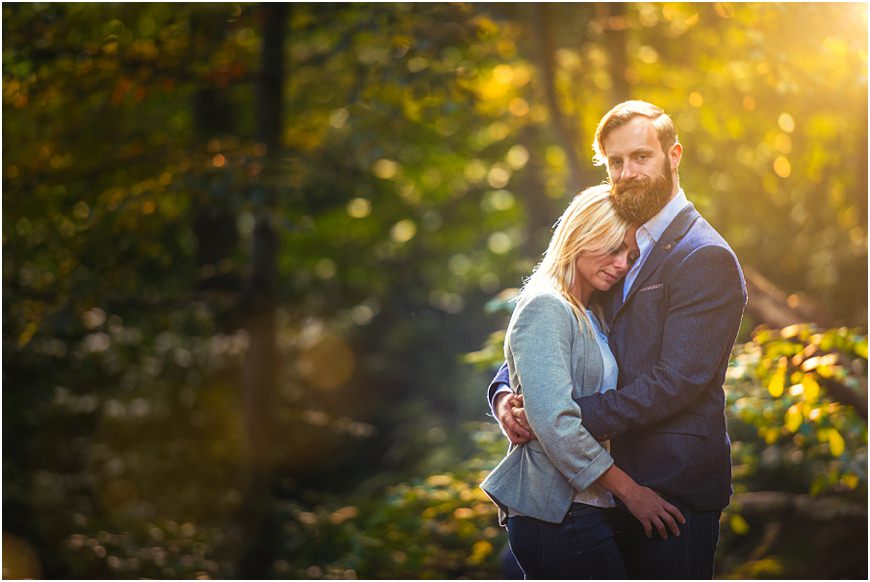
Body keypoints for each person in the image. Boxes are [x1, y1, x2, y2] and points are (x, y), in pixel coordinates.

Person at [489, 100, 748, 579]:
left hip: (671, 485)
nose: (627, 172)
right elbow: (557, 326)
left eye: (641, 156)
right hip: (596, 488)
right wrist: (506, 396)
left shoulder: (703, 256)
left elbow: (679, 379)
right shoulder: (612, 240)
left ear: (674, 155)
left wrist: (562, 416)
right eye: (615, 162)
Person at [480, 184, 686, 580]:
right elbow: (557, 422)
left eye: (629, 255)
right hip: (557, 512)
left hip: (585, 506)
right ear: (580, 237)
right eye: (613, 249)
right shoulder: (546, 305)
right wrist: (631, 492)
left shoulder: (593, 312)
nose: (622, 263)